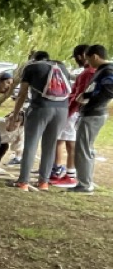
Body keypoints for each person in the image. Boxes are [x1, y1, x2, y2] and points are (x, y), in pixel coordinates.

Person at [8, 50, 72, 191]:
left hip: (40, 108)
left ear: (33, 59)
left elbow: (22, 93)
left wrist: (15, 114)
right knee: (50, 146)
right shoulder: (61, 67)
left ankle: (23, 182)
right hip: (62, 110)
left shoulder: (31, 67)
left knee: (31, 145)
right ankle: (44, 182)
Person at [68, 44, 113, 194]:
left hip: (94, 113)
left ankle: (84, 184)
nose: (88, 63)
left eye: (89, 59)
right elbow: (96, 89)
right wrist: (86, 96)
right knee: (87, 148)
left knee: (83, 149)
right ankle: (86, 181)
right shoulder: (102, 70)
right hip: (91, 112)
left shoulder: (108, 71)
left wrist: (90, 100)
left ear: (95, 56)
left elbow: (107, 92)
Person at [49, 45, 92, 186]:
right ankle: (64, 172)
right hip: (76, 111)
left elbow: (78, 95)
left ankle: (66, 173)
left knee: (66, 141)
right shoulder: (88, 72)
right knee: (65, 141)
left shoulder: (87, 73)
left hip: (73, 111)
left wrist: (69, 111)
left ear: (81, 56)